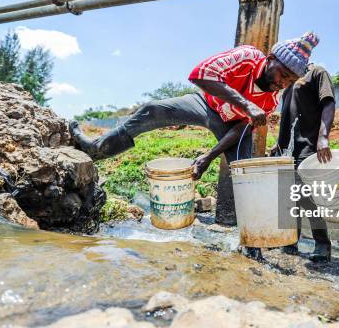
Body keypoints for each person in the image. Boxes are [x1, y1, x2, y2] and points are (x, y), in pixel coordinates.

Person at [69, 32, 320, 224]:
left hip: (231, 124)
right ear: (270, 59)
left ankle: (251, 240)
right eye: (282, 74)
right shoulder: (247, 57)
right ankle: (96, 149)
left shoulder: (270, 100)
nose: (282, 82)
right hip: (206, 104)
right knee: (152, 109)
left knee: (245, 174)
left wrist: (207, 158)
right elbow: (200, 74)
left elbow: (239, 130)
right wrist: (246, 104)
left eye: (289, 80)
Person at [271, 61, 336, 262]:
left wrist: (323, 138)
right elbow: (288, 117)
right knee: (290, 198)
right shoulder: (289, 78)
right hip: (287, 151)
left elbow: (329, 103)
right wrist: (278, 144)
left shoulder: (317, 72)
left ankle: (323, 244)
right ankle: (290, 241)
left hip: (307, 146)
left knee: (306, 197)